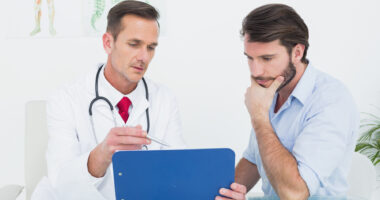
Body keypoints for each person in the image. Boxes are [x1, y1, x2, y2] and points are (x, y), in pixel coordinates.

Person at [32, 1, 186, 199]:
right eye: (134, 44)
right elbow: (61, 182)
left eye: (151, 47)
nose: (144, 57)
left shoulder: (164, 99)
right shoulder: (65, 99)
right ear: (108, 43)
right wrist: (101, 154)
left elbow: (179, 170)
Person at [216, 4, 359, 200]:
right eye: (250, 58)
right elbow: (252, 161)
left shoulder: (330, 101)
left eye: (267, 58)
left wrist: (259, 117)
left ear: (297, 53)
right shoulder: (272, 88)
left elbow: (294, 194)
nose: (256, 71)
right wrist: (221, 194)